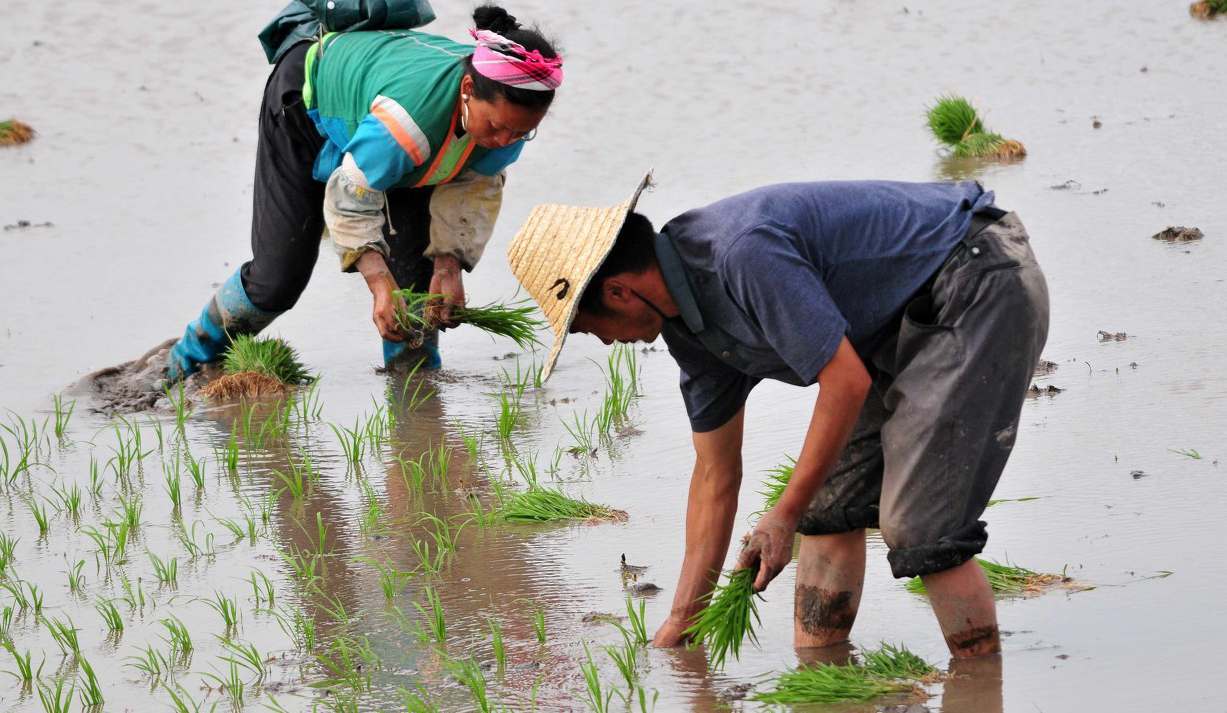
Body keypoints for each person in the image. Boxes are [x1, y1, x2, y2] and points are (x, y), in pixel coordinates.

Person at [505, 174, 1049, 658]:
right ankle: (822, 676)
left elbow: (845, 381)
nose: (600, 340)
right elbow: (715, 475)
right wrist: (681, 621)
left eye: (584, 326)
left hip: (975, 280)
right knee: (826, 508)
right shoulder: (689, 330)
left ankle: (976, 685)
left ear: (619, 291)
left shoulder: (741, 254)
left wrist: (781, 515)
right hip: (890, 323)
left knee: (921, 528)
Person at [165, 4, 563, 381]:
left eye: (521, 131)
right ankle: (182, 364)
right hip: (306, 101)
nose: (505, 140)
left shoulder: (508, 125)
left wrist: (449, 265)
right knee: (278, 279)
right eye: (496, 126)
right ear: (468, 87)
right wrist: (377, 282)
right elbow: (351, 196)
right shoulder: (408, 123)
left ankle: (416, 398)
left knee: (417, 288)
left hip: (400, 128)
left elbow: (471, 190)